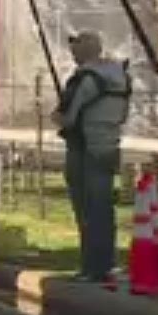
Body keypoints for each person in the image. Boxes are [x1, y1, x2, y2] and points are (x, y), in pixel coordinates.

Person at [54, 31, 131, 284]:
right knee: (103, 208)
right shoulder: (120, 75)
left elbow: (67, 117)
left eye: (75, 48)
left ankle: (91, 267)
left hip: (84, 148)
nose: (72, 53)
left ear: (83, 52)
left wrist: (58, 117)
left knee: (86, 209)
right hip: (109, 145)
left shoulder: (85, 80)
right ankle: (106, 263)